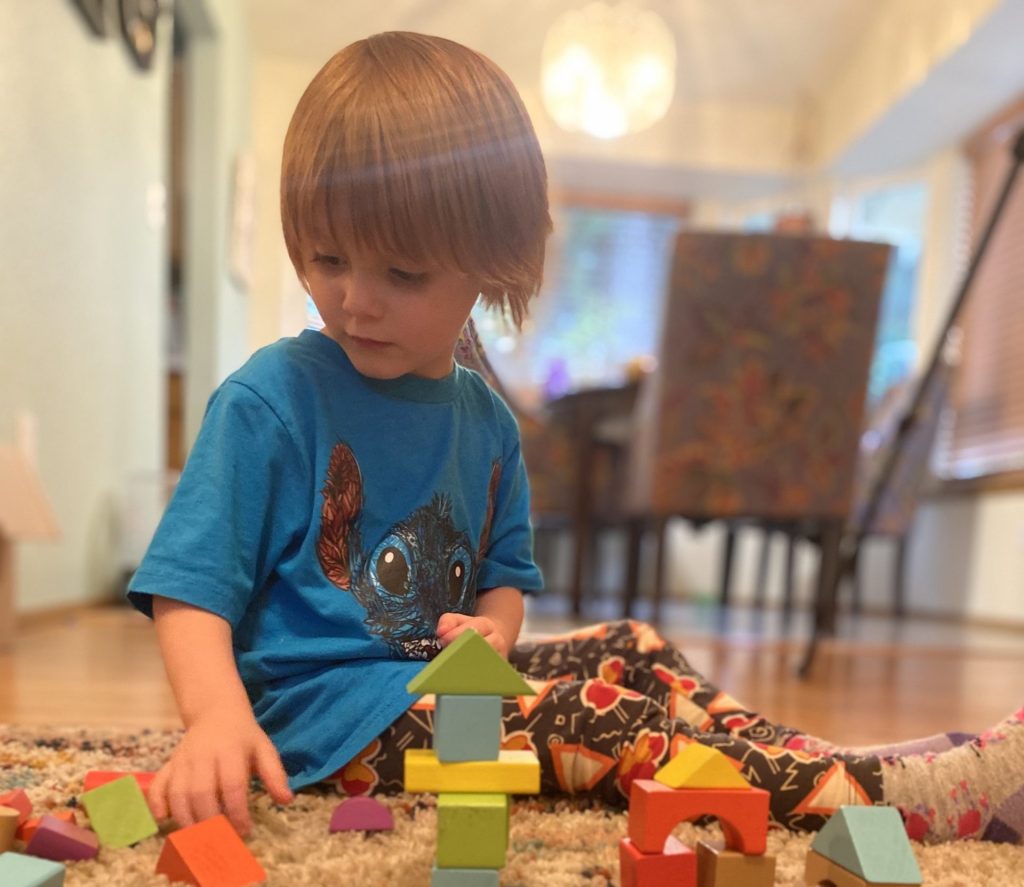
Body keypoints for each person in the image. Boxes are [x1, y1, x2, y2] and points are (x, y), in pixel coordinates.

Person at [128, 31, 1024, 848]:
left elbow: (505, 582)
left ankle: (819, 764)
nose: (354, 298)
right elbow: (190, 586)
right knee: (604, 720)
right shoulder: (267, 400)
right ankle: (891, 800)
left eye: (401, 272)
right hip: (323, 719)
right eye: (326, 259)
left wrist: (488, 630)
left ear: (493, 265)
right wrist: (213, 717)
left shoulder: (485, 423)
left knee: (633, 643)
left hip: (445, 691)